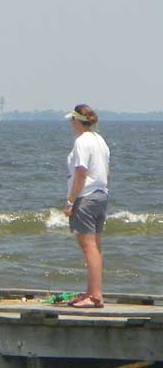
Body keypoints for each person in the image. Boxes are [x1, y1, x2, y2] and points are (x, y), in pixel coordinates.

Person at [62, 104, 110, 309]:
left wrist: (70, 201)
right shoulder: (100, 141)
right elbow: (106, 171)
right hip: (101, 195)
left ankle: (95, 294)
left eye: (71, 120)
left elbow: (81, 172)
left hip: (87, 197)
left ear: (76, 121)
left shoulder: (82, 142)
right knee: (95, 246)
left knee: (88, 246)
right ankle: (92, 291)